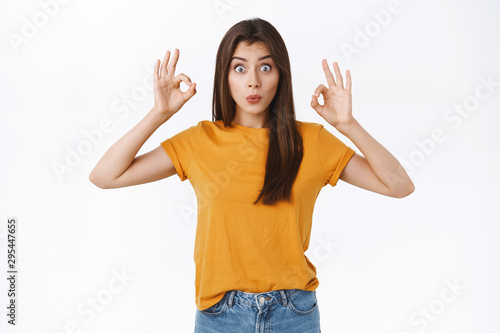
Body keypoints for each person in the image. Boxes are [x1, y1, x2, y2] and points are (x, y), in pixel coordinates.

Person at [89, 17, 414, 333]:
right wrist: (159, 113)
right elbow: (105, 176)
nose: (253, 81)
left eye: (266, 67)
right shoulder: (199, 141)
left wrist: (348, 126)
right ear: (225, 76)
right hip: (220, 316)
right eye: (240, 67)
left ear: (280, 75)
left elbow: (399, 186)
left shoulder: (312, 141)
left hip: (294, 313)